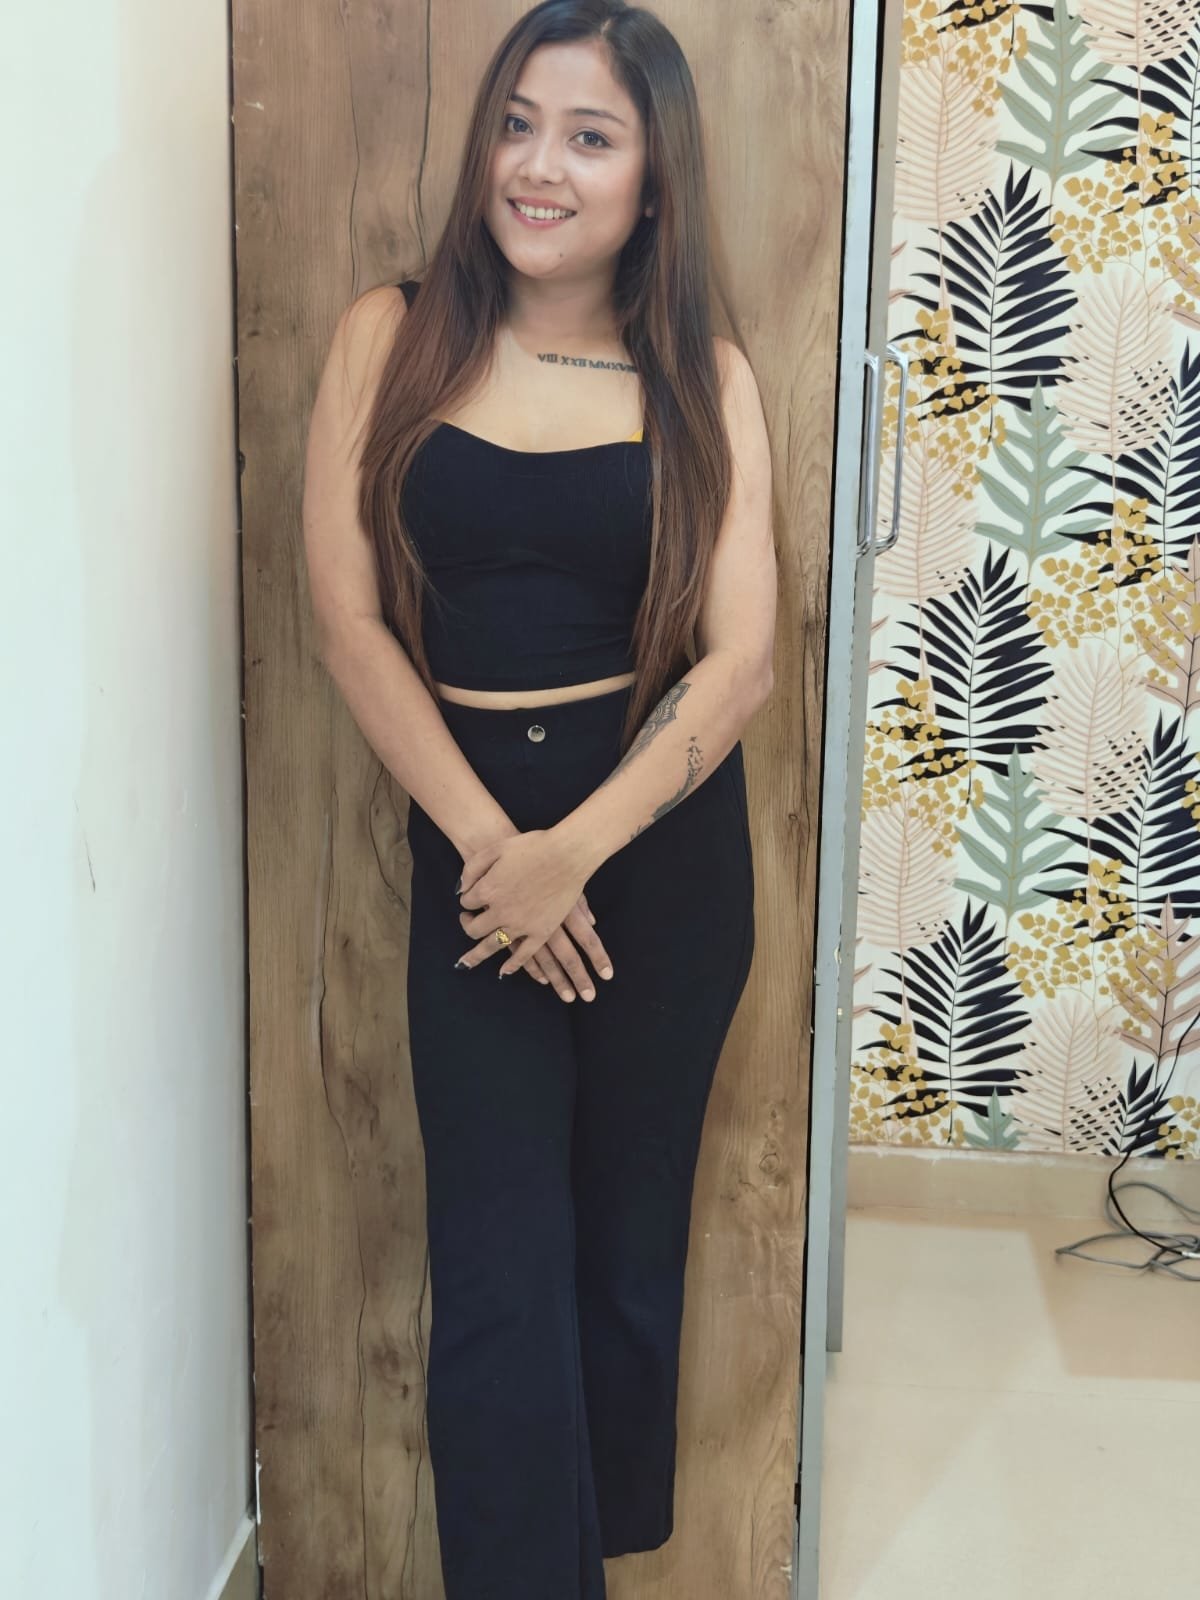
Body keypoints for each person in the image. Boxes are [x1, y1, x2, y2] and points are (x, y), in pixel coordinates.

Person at [302, 2, 776, 1594]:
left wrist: (575, 847)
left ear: (653, 180)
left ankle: (595, 1558)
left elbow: (742, 659)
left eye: (589, 136)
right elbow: (347, 623)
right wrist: (498, 852)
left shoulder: (703, 375)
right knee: (499, 1269)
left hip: (656, 861)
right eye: (516, 123)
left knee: (625, 1262)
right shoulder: (390, 334)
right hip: (480, 862)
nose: (539, 167)